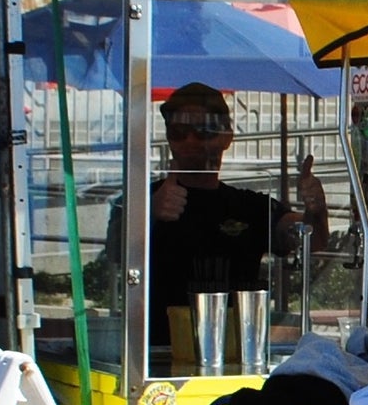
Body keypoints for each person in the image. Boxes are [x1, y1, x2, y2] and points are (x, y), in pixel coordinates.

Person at [125, 82, 329, 345]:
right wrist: (148, 213)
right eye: (178, 132)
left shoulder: (248, 206)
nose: (190, 141)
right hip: (155, 354)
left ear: (227, 137)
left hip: (235, 355)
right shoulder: (141, 199)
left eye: (202, 131)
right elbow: (114, 251)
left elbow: (310, 238)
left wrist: (316, 209)